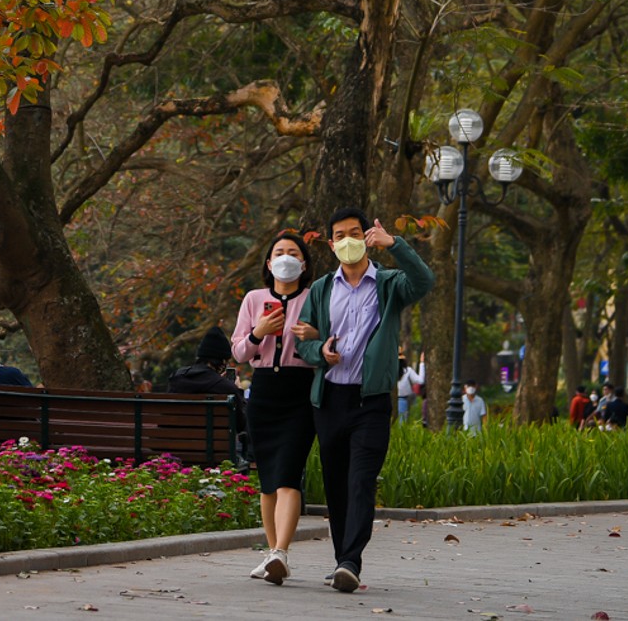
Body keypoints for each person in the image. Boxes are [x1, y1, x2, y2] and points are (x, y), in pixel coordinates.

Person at [296, 208, 435, 594]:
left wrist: (396, 245)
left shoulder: (389, 284)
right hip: (329, 400)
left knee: (360, 481)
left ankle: (351, 561)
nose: (348, 240)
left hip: (370, 400)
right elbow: (303, 341)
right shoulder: (322, 289)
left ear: (367, 236)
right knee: (337, 483)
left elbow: (424, 280)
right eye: (339, 235)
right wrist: (318, 351)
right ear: (331, 243)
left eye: (354, 233)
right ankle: (343, 560)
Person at [230, 231, 321, 586]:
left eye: (293, 252)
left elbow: (331, 338)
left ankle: (281, 550)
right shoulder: (254, 299)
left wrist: (314, 335)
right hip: (264, 390)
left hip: (300, 392)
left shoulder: (316, 297)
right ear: (269, 263)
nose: (286, 257)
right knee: (268, 480)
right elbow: (238, 352)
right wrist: (258, 332)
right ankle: (272, 555)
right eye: (279, 252)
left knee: (288, 473)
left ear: (304, 262)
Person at [167, 327, 241, 396]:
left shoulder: (177, 378)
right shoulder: (226, 387)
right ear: (222, 361)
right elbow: (243, 408)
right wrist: (238, 389)